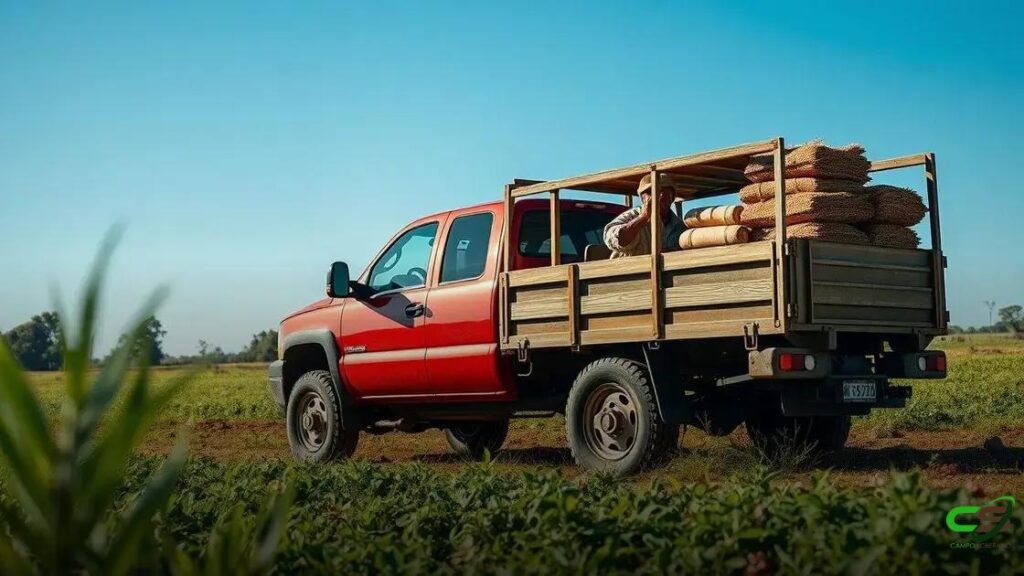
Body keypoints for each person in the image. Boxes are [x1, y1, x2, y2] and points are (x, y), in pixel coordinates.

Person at [603, 173, 684, 258]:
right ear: (642, 198)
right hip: (631, 266)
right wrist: (644, 217)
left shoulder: (679, 225)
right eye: (652, 192)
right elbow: (614, 238)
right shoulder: (632, 216)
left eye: (665, 192)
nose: (660, 196)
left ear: (672, 197)